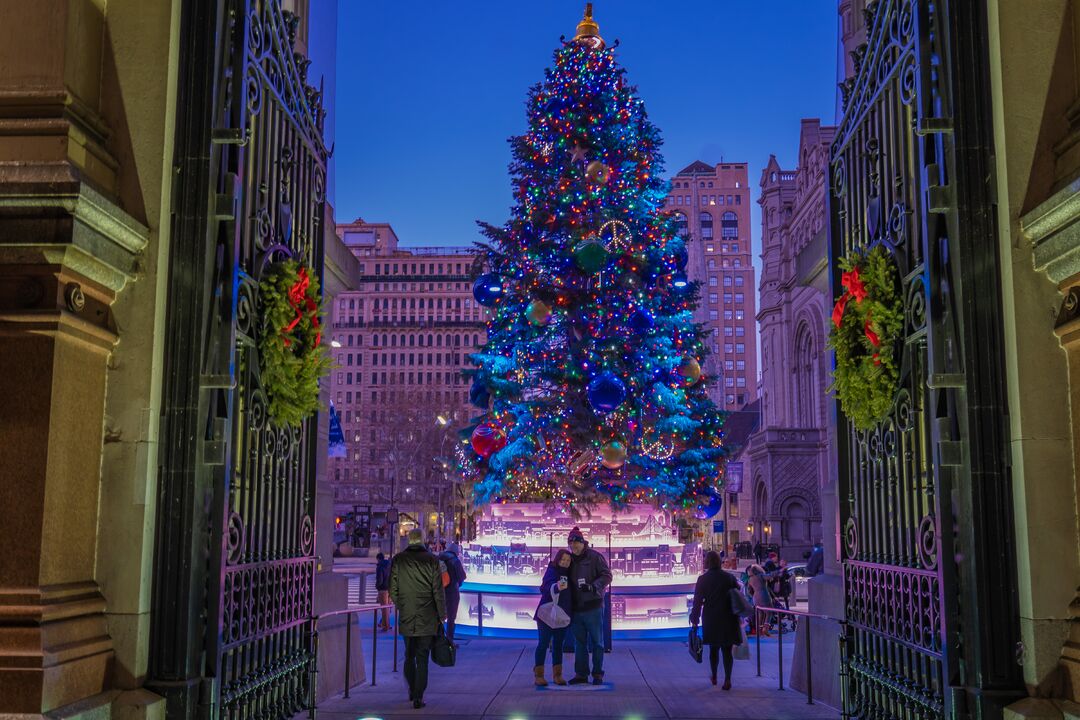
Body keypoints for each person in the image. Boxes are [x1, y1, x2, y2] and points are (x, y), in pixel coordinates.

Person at [389, 528, 446, 709]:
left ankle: (412, 690)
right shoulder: (431, 560)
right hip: (427, 615)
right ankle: (419, 696)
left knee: (408, 655)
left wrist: (402, 605)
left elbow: (393, 589)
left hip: (407, 615)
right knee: (422, 657)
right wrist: (441, 614)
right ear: (422, 541)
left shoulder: (398, 560)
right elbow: (438, 590)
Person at [566, 527, 612, 685]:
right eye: (570, 545)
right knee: (579, 643)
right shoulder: (569, 560)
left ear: (582, 542)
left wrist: (593, 586)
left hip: (593, 607)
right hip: (577, 608)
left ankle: (597, 673)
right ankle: (581, 674)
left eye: (575, 544)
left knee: (597, 642)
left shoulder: (595, 557)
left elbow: (607, 575)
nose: (573, 548)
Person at [690, 550, 742, 689]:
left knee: (714, 649)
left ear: (707, 562)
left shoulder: (703, 579)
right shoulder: (729, 577)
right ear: (719, 562)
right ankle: (728, 679)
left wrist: (694, 618)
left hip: (711, 616)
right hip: (728, 616)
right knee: (727, 649)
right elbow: (737, 592)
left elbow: (697, 601)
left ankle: (714, 676)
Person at [533, 549, 573, 686]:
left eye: (568, 560)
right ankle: (539, 675)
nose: (565, 563)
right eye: (563, 560)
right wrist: (556, 587)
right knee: (543, 643)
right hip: (547, 614)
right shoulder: (552, 570)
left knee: (558, 645)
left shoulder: (570, 573)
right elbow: (544, 588)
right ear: (558, 560)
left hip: (562, 615)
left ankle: (558, 675)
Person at [438, 542, 467, 645]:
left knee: (439, 617)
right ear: (456, 552)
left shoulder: (439, 559)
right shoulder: (455, 561)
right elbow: (462, 577)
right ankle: (449, 642)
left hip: (439, 592)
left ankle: (438, 640)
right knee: (451, 618)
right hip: (452, 593)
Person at [746, 564, 772, 637]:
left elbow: (749, 590)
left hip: (755, 597)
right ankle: (765, 629)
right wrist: (779, 571)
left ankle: (758, 630)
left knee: (760, 613)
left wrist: (753, 595)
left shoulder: (750, 579)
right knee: (769, 612)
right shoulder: (760, 576)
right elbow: (770, 576)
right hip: (763, 595)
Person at [375, 552, 391, 631]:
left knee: (384, 608)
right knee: (387, 608)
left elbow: (379, 580)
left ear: (378, 559)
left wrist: (377, 586)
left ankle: (385, 626)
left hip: (382, 589)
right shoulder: (389, 566)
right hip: (389, 589)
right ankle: (385, 624)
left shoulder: (380, 567)